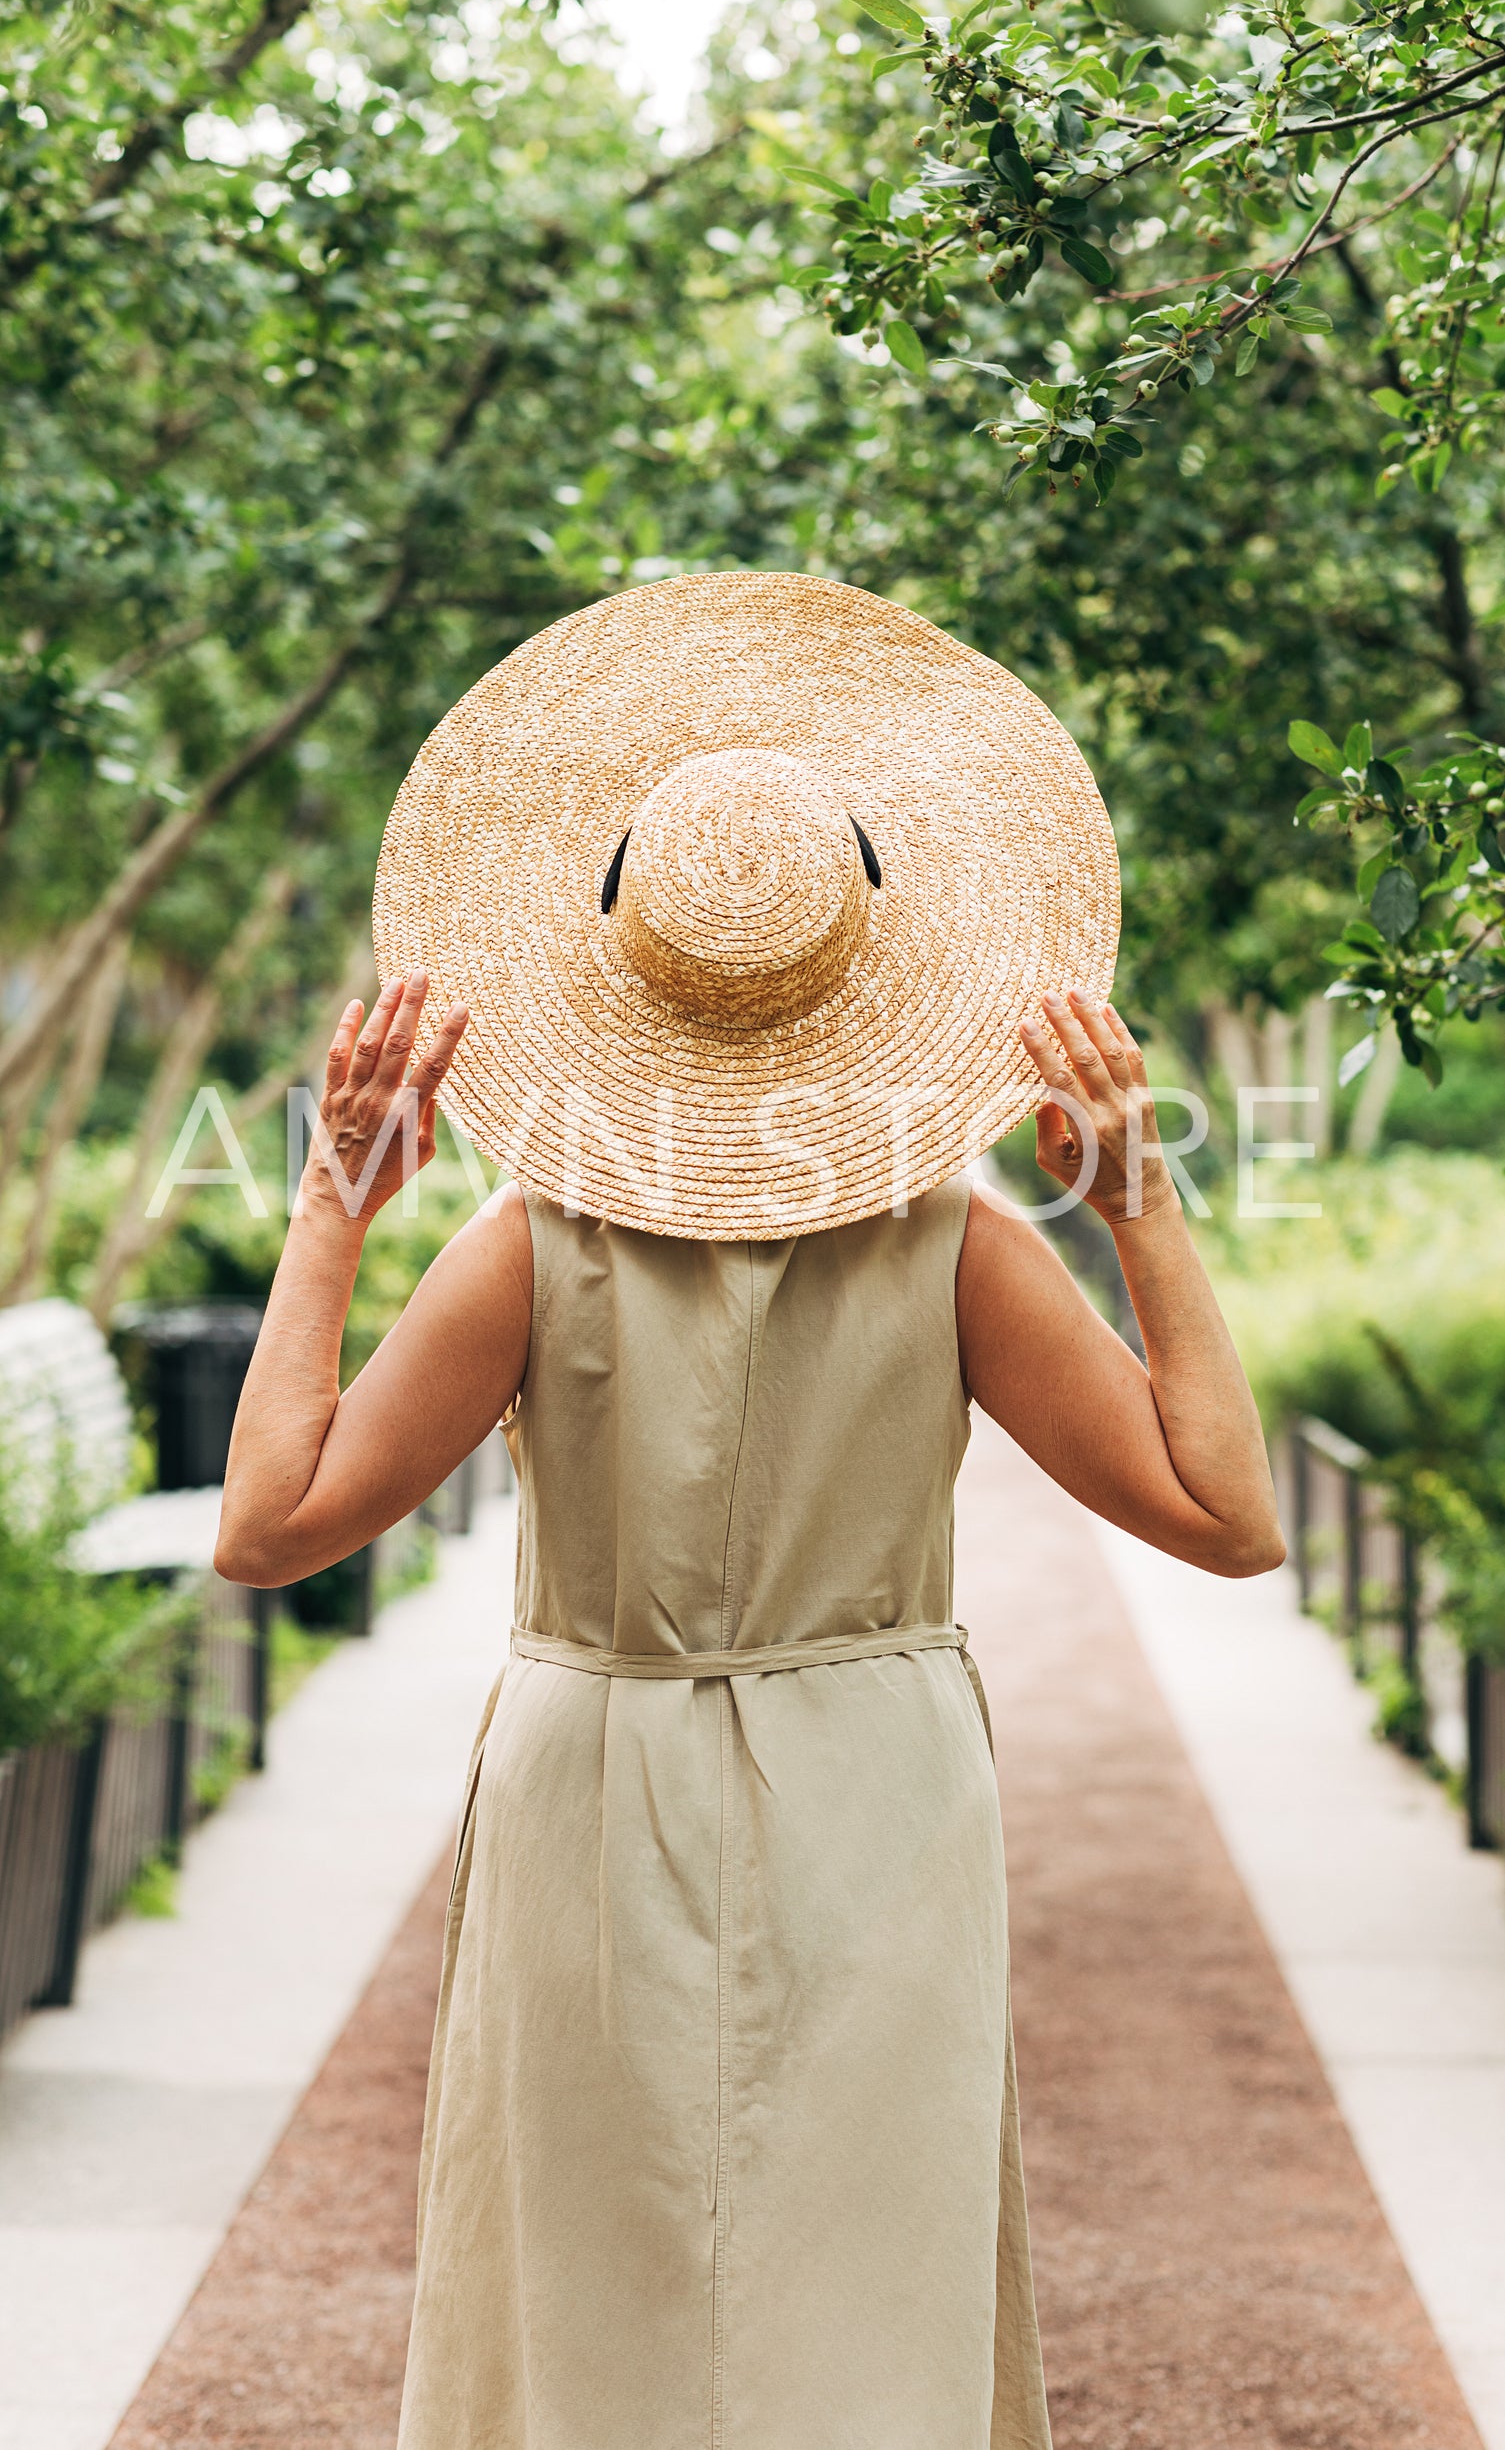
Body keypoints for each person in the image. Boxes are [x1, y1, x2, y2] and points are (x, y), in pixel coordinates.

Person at [217, 574, 1283, 2450]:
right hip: (875, 1783)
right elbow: (1228, 1513)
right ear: (870, 957)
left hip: (586, 1772)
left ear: (609, 955)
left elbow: (269, 1523)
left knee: (587, 2307)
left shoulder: (524, 1246)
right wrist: (1138, 1200)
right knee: (868, 2297)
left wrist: (333, 1201)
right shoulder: (962, 1244)